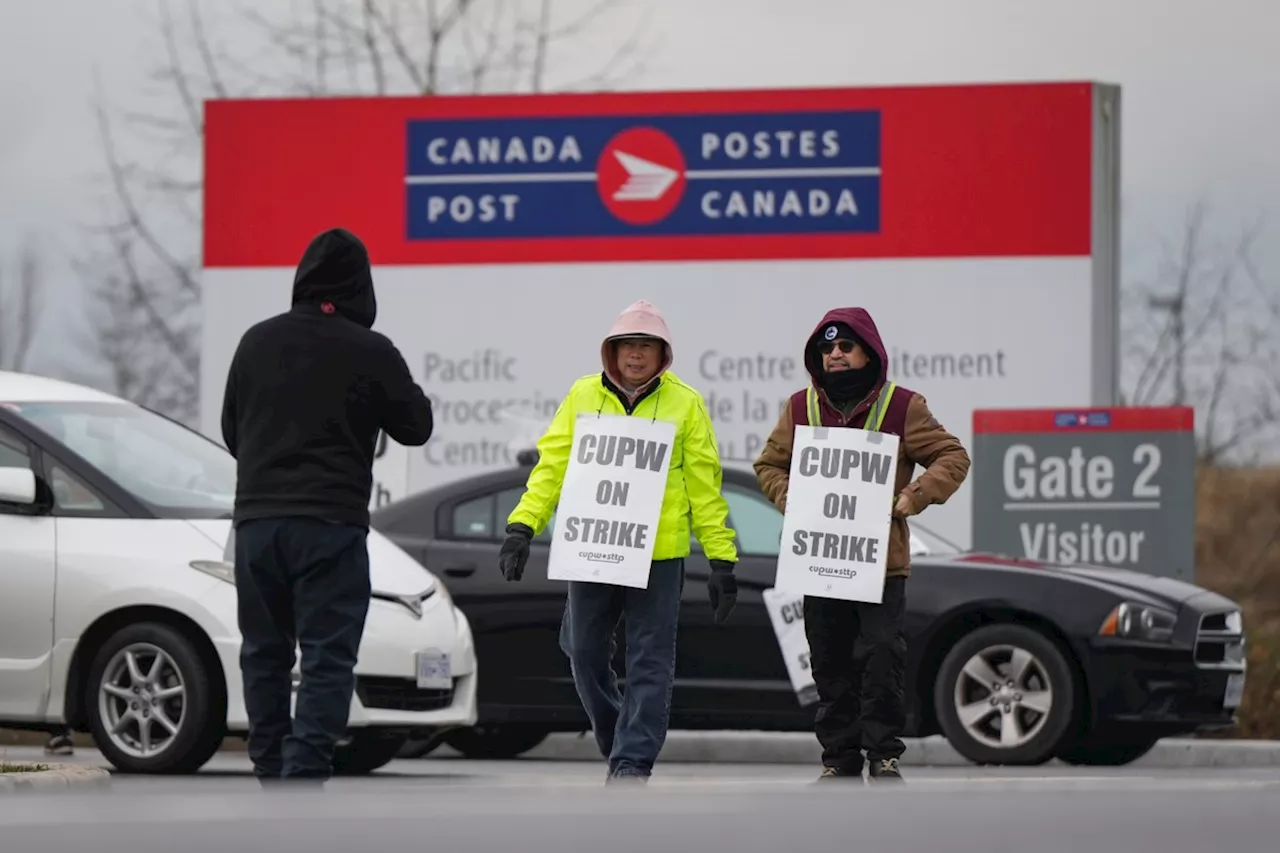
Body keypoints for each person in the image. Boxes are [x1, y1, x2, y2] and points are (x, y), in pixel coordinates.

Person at [220, 227, 434, 784]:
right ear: (361, 287)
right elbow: (417, 427)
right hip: (329, 527)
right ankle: (304, 773)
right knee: (327, 658)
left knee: (263, 652)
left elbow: (231, 431)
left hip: (258, 526)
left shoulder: (255, 342)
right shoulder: (371, 350)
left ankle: (269, 766)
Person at [497, 299, 739, 784]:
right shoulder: (583, 394)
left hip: (660, 555)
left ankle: (632, 762)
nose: (635, 355)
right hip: (592, 548)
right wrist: (522, 526)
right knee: (583, 651)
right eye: (627, 345)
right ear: (611, 351)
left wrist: (721, 559)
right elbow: (552, 466)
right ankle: (617, 735)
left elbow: (704, 487)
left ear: (662, 353)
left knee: (651, 661)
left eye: (645, 346)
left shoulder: (685, 403)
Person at [753, 307, 970, 784]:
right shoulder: (800, 407)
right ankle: (839, 760)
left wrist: (913, 497)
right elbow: (769, 465)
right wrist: (793, 497)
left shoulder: (902, 406)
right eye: (826, 349)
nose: (835, 355)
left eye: (845, 347)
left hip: (881, 565)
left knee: (881, 660)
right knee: (829, 662)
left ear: (868, 352)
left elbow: (953, 456)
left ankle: (884, 756)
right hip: (820, 559)